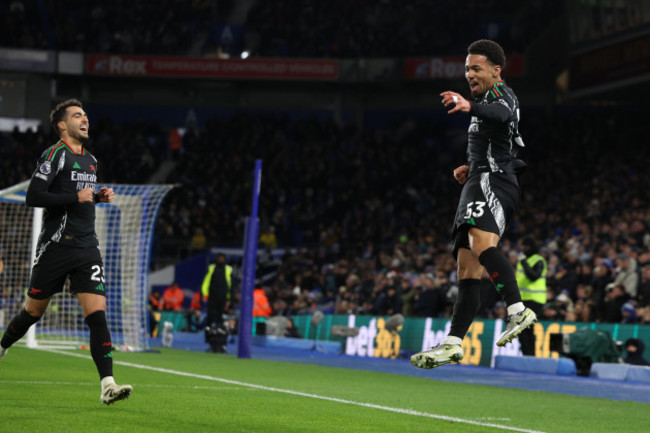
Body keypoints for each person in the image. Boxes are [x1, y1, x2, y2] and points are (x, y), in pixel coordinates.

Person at [411, 40, 536, 369]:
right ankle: (453, 343)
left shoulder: (500, 95)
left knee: (481, 246)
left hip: (491, 182)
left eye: (476, 68)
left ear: (496, 71)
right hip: (479, 178)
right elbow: (501, 139)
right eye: (467, 68)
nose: (469, 74)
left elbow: (502, 114)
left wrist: (469, 106)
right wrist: (472, 164)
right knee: (467, 267)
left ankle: (517, 310)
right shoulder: (485, 99)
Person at [0, 99, 132, 404]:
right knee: (33, 311)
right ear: (62, 125)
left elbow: (81, 200)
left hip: (87, 247)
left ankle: (107, 384)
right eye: (77, 115)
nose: (85, 119)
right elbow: (34, 196)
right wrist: (77, 196)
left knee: (97, 313)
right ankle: (4, 345)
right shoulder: (54, 154)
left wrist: (98, 197)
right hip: (55, 247)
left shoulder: (92, 161)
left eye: (85, 115)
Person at [515, 236, 547, 356]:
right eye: (523, 246)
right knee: (522, 329)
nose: (523, 248)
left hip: (534, 300)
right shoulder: (523, 260)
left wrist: (523, 262)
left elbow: (534, 276)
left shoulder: (538, 260)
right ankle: (527, 355)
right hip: (522, 299)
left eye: (526, 246)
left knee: (527, 329)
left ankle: (530, 356)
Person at [201, 253, 233, 353]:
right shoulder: (211, 268)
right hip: (212, 298)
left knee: (221, 321)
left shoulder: (228, 269)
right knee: (210, 319)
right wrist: (204, 294)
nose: (220, 259)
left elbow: (230, 285)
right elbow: (206, 281)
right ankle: (210, 343)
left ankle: (221, 344)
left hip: (222, 298)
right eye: (219, 258)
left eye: (222, 258)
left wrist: (229, 299)